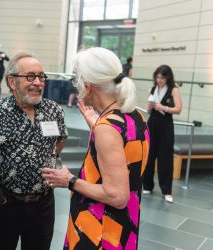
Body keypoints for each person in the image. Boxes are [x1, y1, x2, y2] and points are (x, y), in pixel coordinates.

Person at [42, 47, 150, 250]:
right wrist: (97, 128)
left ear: (87, 85)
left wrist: (70, 181)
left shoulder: (107, 128)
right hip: (124, 226)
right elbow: (125, 155)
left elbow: (117, 196)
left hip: (99, 230)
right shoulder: (135, 117)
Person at [0, 52, 68, 250]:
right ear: (12, 82)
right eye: (30, 76)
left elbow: (59, 142)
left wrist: (43, 159)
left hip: (43, 205)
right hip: (4, 204)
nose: (38, 82)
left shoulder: (54, 110)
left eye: (41, 76)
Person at [143, 65, 182, 203]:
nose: (160, 80)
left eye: (162, 77)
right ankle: (147, 185)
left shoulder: (174, 90)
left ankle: (167, 191)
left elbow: (178, 109)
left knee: (165, 156)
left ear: (168, 77)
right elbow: (148, 111)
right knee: (149, 154)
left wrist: (162, 107)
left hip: (166, 124)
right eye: (158, 77)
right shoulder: (152, 90)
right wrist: (151, 105)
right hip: (152, 123)